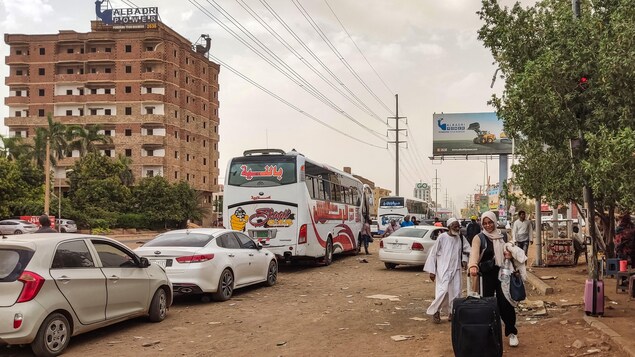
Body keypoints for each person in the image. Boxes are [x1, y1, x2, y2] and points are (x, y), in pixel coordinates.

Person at [468, 211, 519, 347]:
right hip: (486, 275)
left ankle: (511, 332)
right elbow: (474, 254)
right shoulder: (479, 238)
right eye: (485, 223)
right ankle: (487, 334)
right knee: (486, 305)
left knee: (506, 303)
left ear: (494, 221)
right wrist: (473, 266)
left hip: (503, 273)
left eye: (490, 222)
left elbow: (512, 250)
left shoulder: (503, 235)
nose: (488, 225)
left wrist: (510, 255)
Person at [424, 217, 471, 324]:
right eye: (455, 225)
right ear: (449, 227)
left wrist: (464, 260)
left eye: (458, 225)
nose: (457, 227)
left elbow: (467, 250)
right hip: (443, 269)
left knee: (456, 292)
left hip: (456, 269)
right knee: (443, 291)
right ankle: (435, 311)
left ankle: (452, 312)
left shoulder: (460, 238)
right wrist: (432, 271)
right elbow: (433, 254)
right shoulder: (442, 237)